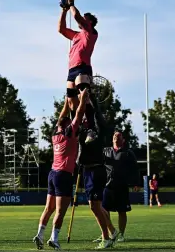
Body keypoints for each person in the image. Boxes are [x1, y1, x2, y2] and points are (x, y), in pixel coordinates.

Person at [33, 88, 89, 250]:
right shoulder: (70, 133)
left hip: (52, 174)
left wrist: (66, 100)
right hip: (64, 175)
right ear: (68, 124)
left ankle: (39, 234)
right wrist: (83, 98)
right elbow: (78, 114)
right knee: (60, 211)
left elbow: (61, 116)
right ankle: (54, 238)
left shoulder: (55, 134)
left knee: (48, 208)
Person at [75, 84, 113, 250]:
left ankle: (106, 237)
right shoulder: (82, 123)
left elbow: (99, 123)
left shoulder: (97, 123)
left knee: (94, 206)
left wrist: (91, 103)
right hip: (87, 169)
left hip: (96, 169)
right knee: (97, 206)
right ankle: (111, 231)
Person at [58, 0, 99, 144]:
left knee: (84, 95)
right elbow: (61, 29)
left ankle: (92, 128)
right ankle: (80, 126)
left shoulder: (90, 31)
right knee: (71, 102)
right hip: (72, 69)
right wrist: (63, 10)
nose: (82, 19)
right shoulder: (76, 35)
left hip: (83, 67)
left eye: (85, 18)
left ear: (90, 22)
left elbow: (76, 17)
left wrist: (72, 4)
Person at [93, 131, 140, 244]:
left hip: (122, 186)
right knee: (104, 210)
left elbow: (135, 169)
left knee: (122, 211)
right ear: (112, 138)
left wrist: (136, 183)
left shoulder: (128, 153)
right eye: (114, 136)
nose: (116, 137)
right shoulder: (105, 151)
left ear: (123, 139)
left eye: (119, 136)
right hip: (107, 186)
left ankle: (121, 234)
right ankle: (107, 233)